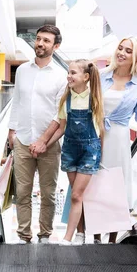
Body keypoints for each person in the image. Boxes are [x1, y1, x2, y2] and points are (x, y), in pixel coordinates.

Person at [8, 25, 67, 243]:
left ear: (56, 46)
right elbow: (17, 102)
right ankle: (24, 235)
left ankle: (44, 235)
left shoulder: (61, 76)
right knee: (22, 193)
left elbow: (60, 115)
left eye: (46, 41)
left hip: (49, 144)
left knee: (48, 194)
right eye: (39, 39)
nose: (40, 44)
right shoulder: (23, 70)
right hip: (23, 139)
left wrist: (44, 141)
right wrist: (11, 131)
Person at [94, 36, 137, 244]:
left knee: (115, 187)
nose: (121, 53)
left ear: (135, 57)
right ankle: (95, 236)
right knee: (95, 183)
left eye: (128, 51)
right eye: (120, 48)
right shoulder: (101, 75)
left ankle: (111, 239)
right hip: (96, 134)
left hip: (118, 137)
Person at [46, 60, 104, 245]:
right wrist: (46, 145)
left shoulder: (94, 100)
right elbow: (61, 128)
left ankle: (68, 237)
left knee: (77, 195)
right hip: (70, 150)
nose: (68, 76)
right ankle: (80, 233)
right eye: (68, 73)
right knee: (75, 194)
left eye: (73, 73)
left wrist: (100, 154)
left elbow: (101, 130)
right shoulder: (66, 99)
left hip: (89, 151)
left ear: (86, 77)